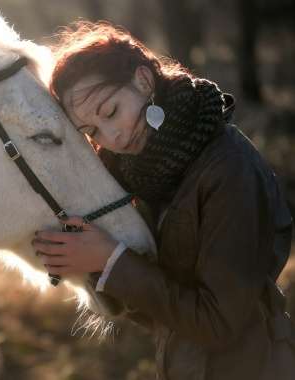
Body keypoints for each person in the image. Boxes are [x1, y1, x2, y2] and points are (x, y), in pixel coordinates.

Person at [32, 22, 295, 380]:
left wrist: (112, 260)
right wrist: (92, 262)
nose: (112, 136)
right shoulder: (143, 173)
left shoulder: (228, 167)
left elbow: (219, 323)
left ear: (143, 81)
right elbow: (163, 313)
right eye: (91, 131)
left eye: (110, 112)